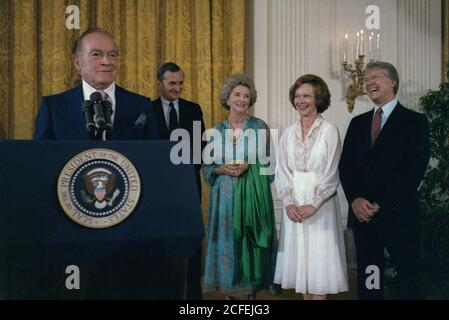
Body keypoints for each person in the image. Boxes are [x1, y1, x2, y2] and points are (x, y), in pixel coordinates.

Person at [339, 61, 430, 300]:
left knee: (408, 275)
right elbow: (346, 167)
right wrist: (355, 199)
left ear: (393, 82)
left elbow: (415, 171)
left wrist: (380, 202)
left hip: (399, 214)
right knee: (371, 276)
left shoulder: (415, 122)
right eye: (366, 79)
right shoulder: (357, 123)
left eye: (375, 77)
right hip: (363, 216)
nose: (368, 82)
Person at [202, 74, 277, 299]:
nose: (242, 99)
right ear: (228, 98)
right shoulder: (217, 129)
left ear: (250, 100)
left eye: (246, 96)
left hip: (252, 198)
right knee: (228, 241)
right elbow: (207, 166)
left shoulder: (260, 126)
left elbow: (270, 165)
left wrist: (249, 165)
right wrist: (221, 169)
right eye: (237, 95)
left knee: (250, 243)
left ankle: (252, 293)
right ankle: (229, 293)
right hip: (224, 197)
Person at [274, 74, 348, 300]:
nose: (300, 100)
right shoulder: (288, 133)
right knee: (302, 270)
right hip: (295, 203)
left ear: (318, 98)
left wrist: (314, 204)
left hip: (320, 206)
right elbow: (282, 171)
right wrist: (288, 203)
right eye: (297, 96)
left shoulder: (329, 130)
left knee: (319, 268)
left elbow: (332, 171)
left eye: (306, 95)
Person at [34, 27, 159, 140]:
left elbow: (152, 156)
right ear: (77, 62)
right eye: (96, 54)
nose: (106, 61)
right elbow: (42, 158)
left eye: (112, 55)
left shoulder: (141, 106)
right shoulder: (53, 108)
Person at [152, 62, 206, 300]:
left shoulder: (193, 109)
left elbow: (201, 148)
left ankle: (193, 297)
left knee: (191, 242)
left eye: (181, 83)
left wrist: (183, 174)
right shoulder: (147, 110)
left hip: (188, 188)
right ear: (160, 84)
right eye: (172, 83)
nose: (177, 88)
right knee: (160, 244)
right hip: (156, 190)